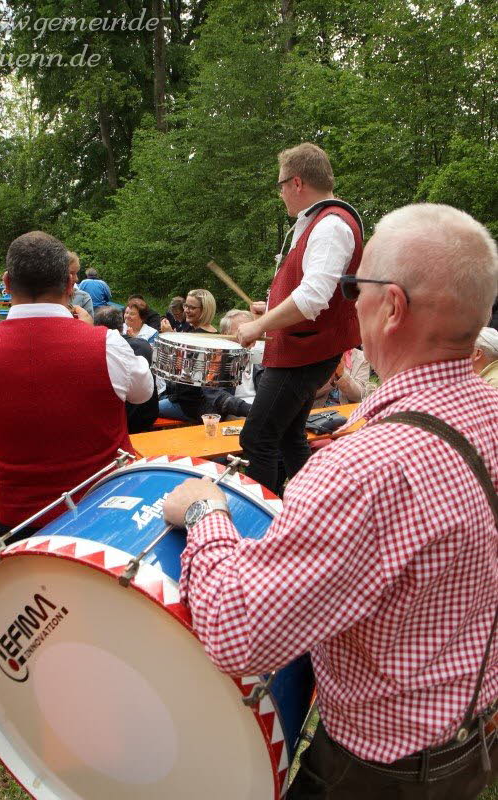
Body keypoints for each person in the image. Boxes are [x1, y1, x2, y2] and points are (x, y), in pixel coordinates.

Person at [163, 204, 498, 800]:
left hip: (384, 772)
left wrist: (205, 514)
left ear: (391, 306)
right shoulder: (490, 415)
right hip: (472, 739)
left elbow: (240, 635)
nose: (349, 301)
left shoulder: (362, 467)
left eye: (353, 286)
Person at [0, 231, 154, 543]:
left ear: (8, 284)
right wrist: (94, 338)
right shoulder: (107, 344)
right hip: (104, 515)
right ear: (69, 284)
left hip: (16, 523)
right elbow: (143, 393)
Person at [236, 143, 364, 493]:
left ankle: (260, 528)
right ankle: (313, 509)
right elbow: (308, 292)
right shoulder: (321, 223)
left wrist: (258, 326)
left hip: (304, 353)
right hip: (306, 350)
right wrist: (271, 310)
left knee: (256, 438)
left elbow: (312, 299)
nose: (279, 194)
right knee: (290, 434)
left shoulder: (330, 226)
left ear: (296, 183)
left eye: (279, 186)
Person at [94, 306, 159, 432]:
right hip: (148, 415)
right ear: (120, 325)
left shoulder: (102, 348)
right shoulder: (142, 344)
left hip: (124, 421)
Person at [158, 289, 218, 421]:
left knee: (144, 410)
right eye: (186, 305)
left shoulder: (205, 337)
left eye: (192, 307)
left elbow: (179, 367)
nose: (186, 310)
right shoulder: (191, 330)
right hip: (179, 397)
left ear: (205, 309)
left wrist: (170, 337)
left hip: (191, 405)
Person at [68, 251, 94, 318]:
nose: (76, 279)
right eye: (71, 273)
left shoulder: (84, 283)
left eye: (76, 273)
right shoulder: (102, 283)